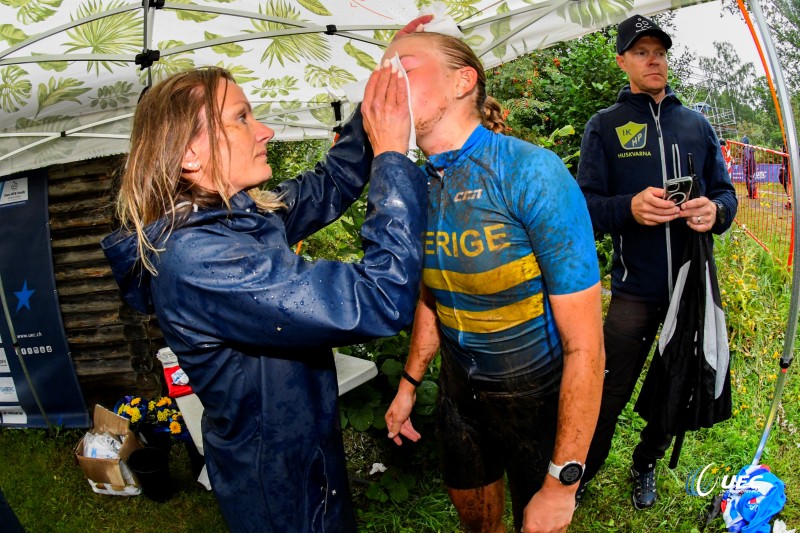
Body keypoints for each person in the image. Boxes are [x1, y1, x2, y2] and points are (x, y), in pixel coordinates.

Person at [101, 62, 427, 532]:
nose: (266, 131)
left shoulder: (231, 218)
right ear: (191, 154)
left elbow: (327, 184)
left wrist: (380, 97)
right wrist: (394, 158)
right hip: (278, 484)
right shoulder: (203, 258)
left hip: (301, 453)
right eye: (241, 118)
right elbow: (378, 296)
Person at [381, 30, 605, 533]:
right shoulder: (418, 185)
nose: (389, 81)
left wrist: (563, 481)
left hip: (539, 406)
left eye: (406, 67)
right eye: (384, 70)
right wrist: (409, 386)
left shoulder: (531, 173)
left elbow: (587, 348)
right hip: (462, 403)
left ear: (464, 81)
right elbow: (433, 295)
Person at [577, 14, 738, 510]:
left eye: (660, 51)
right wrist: (629, 207)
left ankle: (646, 461)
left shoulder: (697, 125)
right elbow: (584, 206)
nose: (654, 60)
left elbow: (727, 195)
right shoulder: (605, 126)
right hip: (634, 291)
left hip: (689, 288)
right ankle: (578, 475)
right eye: (642, 51)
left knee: (679, 386)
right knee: (605, 393)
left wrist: (716, 211)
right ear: (622, 60)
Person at [742, 135, 758, 199]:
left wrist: (745, 168)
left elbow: (747, 158)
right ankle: (751, 194)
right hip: (751, 166)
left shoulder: (746, 148)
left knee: (749, 181)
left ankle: (753, 195)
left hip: (749, 167)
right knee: (750, 180)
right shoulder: (750, 147)